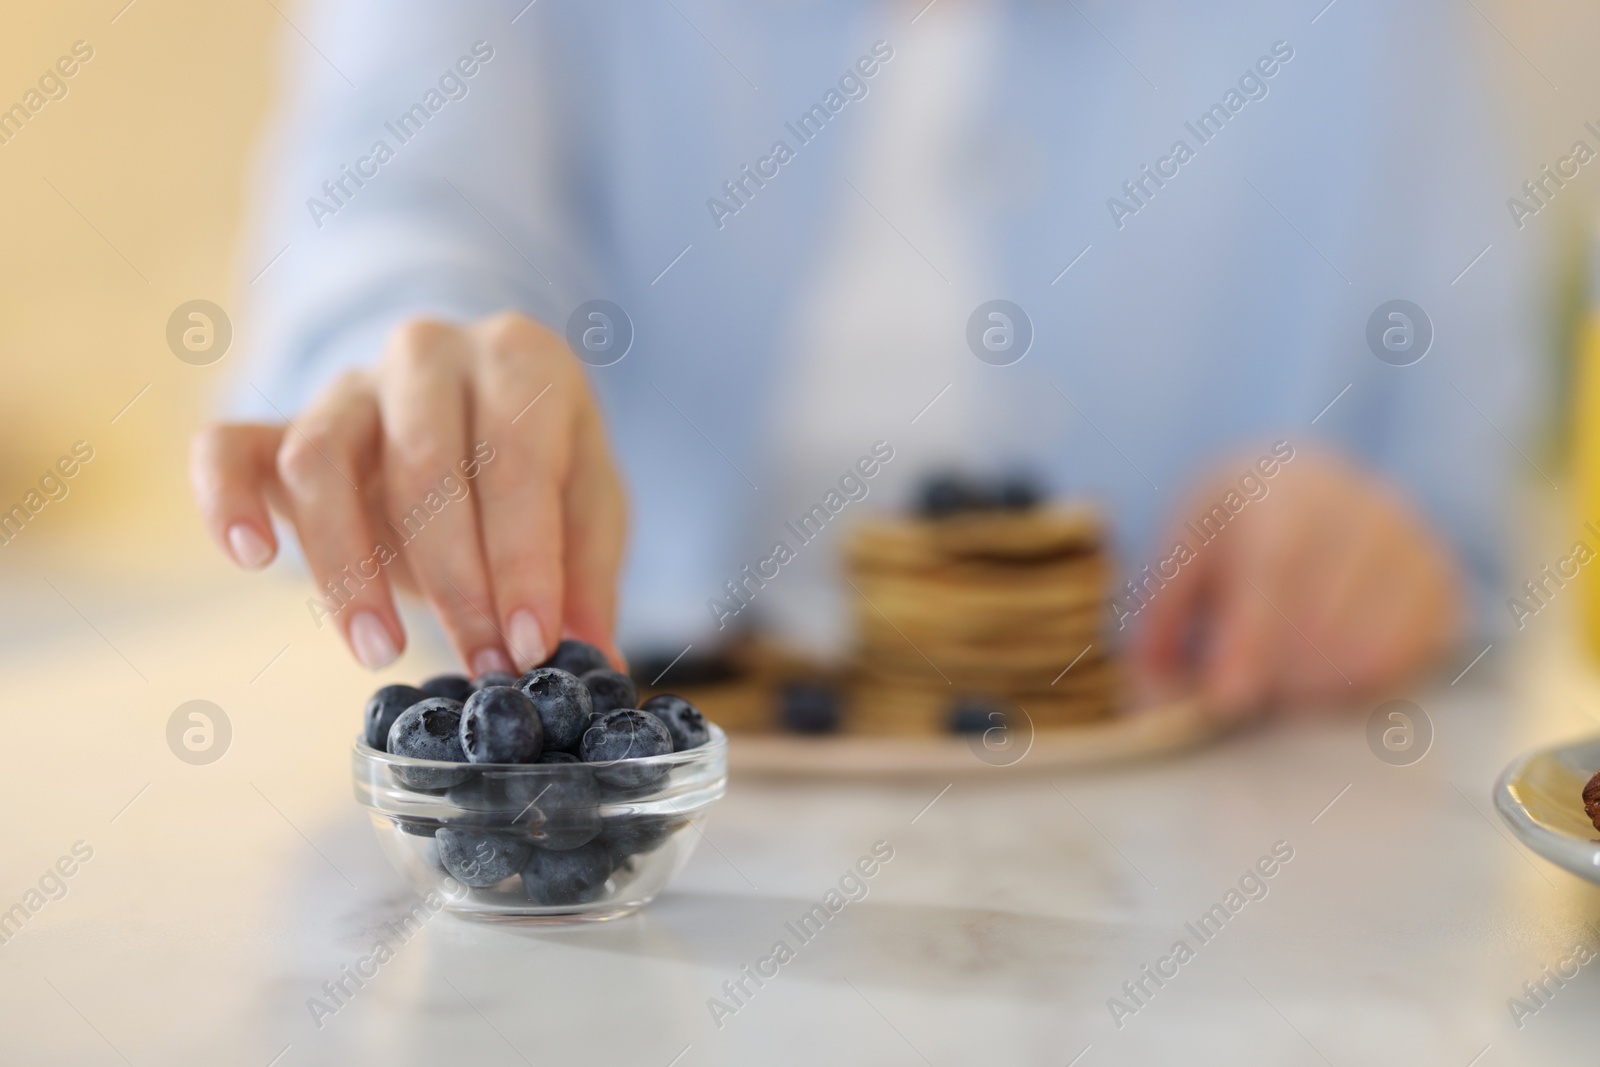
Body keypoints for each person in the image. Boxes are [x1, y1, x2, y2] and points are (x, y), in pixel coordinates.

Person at [190, 0, 1545, 725]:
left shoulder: (1380, 29)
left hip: (1197, 877)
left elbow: (1464, 527)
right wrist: (416, 373)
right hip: (618, 867)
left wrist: (1385, 563)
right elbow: (378, 224)